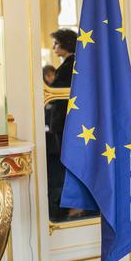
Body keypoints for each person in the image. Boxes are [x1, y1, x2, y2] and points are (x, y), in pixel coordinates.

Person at [47, 30, 77, 221]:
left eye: (56, 43)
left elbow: (56, 92)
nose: (54, 47)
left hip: (66, 122)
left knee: (67, 165)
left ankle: (74, 205)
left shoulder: (69, 66)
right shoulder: (70, 63)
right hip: (66, 122)